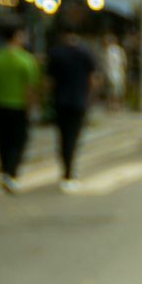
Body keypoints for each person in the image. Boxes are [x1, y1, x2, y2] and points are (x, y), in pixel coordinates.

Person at [0, 22, 40, 193]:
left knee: (2, 140)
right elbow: (30, 88)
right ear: (16, 36)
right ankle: (12, 173)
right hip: (19, 106)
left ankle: (3, 171)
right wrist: (31, 107)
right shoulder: (27, 60)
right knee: (18, 140)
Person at [46, 26, 100, 192]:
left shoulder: (56, 53)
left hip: (60, 101)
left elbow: (49, 81)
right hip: (78, 101)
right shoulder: (85, 53)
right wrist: (89, 97)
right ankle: (69, 171)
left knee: (63, 136)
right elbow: (94, 78)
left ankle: (66, 168)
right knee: (74, 136)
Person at [102, 34, 128, 113]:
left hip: (115, 72)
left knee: (114, 90)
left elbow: (123, 63)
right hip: (114, 72)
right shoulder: (115, 50)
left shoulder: (115, 51)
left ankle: (115, 105)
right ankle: (114, 106)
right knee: (114, 90)